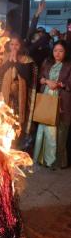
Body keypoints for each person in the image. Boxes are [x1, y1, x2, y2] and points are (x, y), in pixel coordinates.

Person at [0, 34, 37, 148]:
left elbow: (27, 77)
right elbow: (0, 73)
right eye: (12, 44)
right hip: (6, 94)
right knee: (5, 117)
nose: (14, 47)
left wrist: (16, 61)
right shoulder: (3, 57)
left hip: (19, 95)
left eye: (17, 45)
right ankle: (3, 144)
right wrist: (10, 60)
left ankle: (16, 144)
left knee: (17, 120)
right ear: (9, 45)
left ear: (21, 46)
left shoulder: (27, 60)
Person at [33, 40, 71, 169]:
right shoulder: (47, 62)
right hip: (46, 98)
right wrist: (45, 80)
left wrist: (60, 84)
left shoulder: (69, 65)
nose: (57, 53)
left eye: (61, 51)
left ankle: (56, 161)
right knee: (44, 125)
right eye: (55, 50)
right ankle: (42, 158)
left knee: (58, 130)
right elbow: (40, 77)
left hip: (62, 100)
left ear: (65, 52)